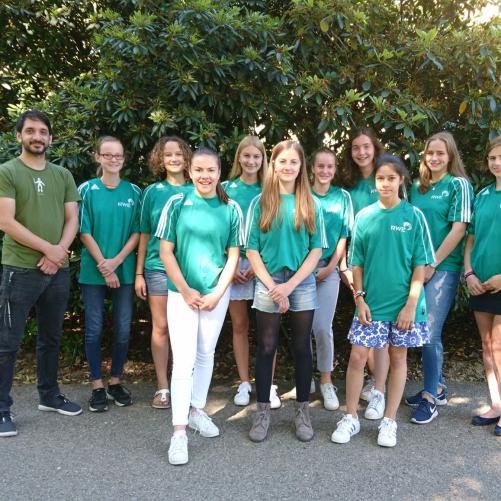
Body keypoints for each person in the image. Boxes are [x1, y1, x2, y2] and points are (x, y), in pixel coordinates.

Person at [331, 154, 435, 448]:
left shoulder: (414, 216)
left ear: (401, 180)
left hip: (404, 306)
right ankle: (350, 417)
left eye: (391, 178)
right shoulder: (364, 217)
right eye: (380, 178)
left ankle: (389, 421)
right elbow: (357, 263)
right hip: (371, 304)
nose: (385, 183)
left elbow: (420, 266)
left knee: (398, 357)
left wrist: (411, 305)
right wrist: (359, 299)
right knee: (357, 357)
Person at [156, 147, 241, 465]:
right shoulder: (176, 203)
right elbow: (166, 252)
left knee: (206, 354)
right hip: (182, 295)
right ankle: (179, 433)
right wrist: (185, 289)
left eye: (211, 170)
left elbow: (233, 256)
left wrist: (218, 292)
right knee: (183, 362)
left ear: (220, 172)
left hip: (215, 295)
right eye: (199, 170)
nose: (205, 176)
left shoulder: (231, 208)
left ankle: (197, 410)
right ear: (190, 172)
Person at [0, 110, 82, 437]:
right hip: (20, 268)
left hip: (56, 270)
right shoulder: (8, 171)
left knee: (51, 336)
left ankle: (49, 395)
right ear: (19, 136)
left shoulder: (62, 174)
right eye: (31, 131)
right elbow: (6, 221)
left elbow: (72, 219)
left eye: (43, 131)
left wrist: (58, 251)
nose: (37, 136)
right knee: (8, 341)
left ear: (50, 137)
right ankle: (2, 409)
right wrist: (50, 250)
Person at [246, 140, 327, 443]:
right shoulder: (260, 202)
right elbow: (252, 250)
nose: (288, 166)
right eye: (283, 161)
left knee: (302, 346)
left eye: (294, 161)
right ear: (273, 164)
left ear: (301, 166)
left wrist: (290, 286)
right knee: (266, 347)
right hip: (268, 280)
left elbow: (316, 250)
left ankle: (303, 411)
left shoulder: (310, 203)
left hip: (300, 282)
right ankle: (262, 411)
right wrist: (273, 287)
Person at [405, 132, 473, 424]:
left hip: (443, 266)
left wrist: (433, 262)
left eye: (440, 153)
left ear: (450, 156)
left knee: (430, 332)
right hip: (417, 267)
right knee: (421, 330)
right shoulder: (417, 187)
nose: (434, 158)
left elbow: (459, 229)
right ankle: (438, 387)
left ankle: (430, 398)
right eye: (429, 153)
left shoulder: (458, 185)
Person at [78, 136, 141, 412]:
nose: (113, 159)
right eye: (107, 154)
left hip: (123, 270)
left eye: (118, 155)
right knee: (93, 329)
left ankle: (115, 382)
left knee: (123, 329)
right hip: (93, 272)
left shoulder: (134, 192)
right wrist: (104, 265)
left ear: (124, 159)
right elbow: (83, 231)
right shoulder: (86, 190)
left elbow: (137, 232)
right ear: (98, 157)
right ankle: (97, 386)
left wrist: (115, 262)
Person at [222, 136, 281, 409]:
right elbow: (219, 228)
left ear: (263, 159)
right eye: (246, 156)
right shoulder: (225, 188)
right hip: (232, 264)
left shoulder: (271, 189)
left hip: (264, 266)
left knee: (268, 331)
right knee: (240, 325)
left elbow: (275, 231)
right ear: (238, 157)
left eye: (256, 156)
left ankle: (268, 384)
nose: (251, 161)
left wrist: (260, 268)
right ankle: (244, 382)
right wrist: (230, 264)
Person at [135, 136, 192, 409]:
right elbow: (144, 234)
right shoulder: (152, 192)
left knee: (188, 330)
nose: (174, 158)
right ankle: (163, 387)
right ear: (160, 158)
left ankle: (186, 384)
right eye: (168, 154)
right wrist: (138, 274)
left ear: (186, 157)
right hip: (157, 268)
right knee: (161, 327)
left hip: (189, 270)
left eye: (178, 153)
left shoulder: (197, 188)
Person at [336, 127, 388, 420]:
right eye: (356, 147)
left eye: (366, 146)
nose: (361, 152)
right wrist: (343, 266)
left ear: (375, 148)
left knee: (377, 328)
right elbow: (343, 230)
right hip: (354, 266)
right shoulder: (347, 184)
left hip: (382, 266)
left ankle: (379, 387)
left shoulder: (386, 177)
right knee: (364, 324)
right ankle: (375, 383)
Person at [310, 148, 353, 410]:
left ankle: (326, 380)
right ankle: (304, 377)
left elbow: (343, 237)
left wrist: (330, 268)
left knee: (322, 327)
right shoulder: (302, 194)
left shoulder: (342, 197)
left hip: (329, 269)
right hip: (301, 271)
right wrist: (305, 270)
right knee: (302, 327)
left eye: (330, 166)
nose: (325, 171)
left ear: (335, 169)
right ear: (312, 168)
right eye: (320, 166)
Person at [464, 135, 501, 436]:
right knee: (487, 346)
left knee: (499, 346)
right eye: (492, 158)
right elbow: (471, 239)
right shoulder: (483, 195)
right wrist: (469, 274)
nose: (497, 163)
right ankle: (496, 403)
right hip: (480, 283)